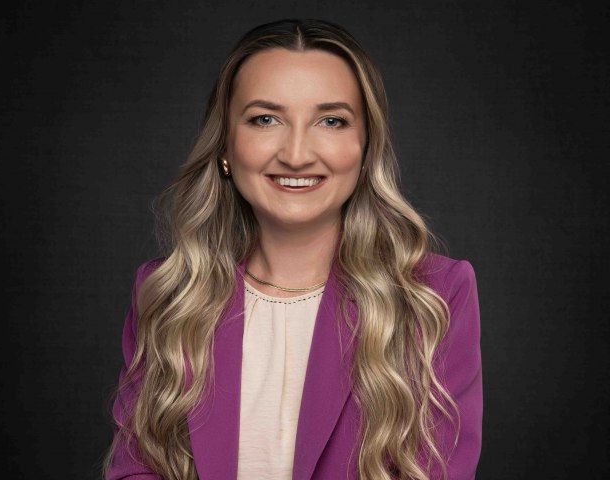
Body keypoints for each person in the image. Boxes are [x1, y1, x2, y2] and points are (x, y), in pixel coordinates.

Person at [103, 19, 482, 480]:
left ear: (365, 147)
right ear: (225, 145)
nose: (297, 154)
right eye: (265, 119)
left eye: (331, 121)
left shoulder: (435, 296)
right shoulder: (168, 295)